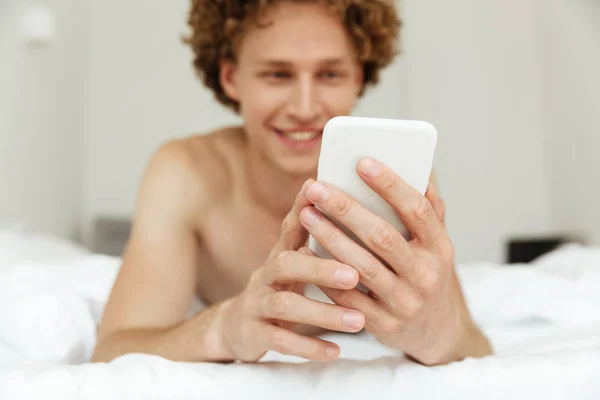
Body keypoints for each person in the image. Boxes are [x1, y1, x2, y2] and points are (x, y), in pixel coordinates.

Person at [92, 0, 492, 365]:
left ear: (359, 78)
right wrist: (223, 328)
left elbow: (473, 346)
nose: (304, 108)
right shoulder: (187, 174)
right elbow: (112, 351)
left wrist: (438, 334)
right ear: (231, 78)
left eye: (330, 74)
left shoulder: (394, 179)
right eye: (277, 74)